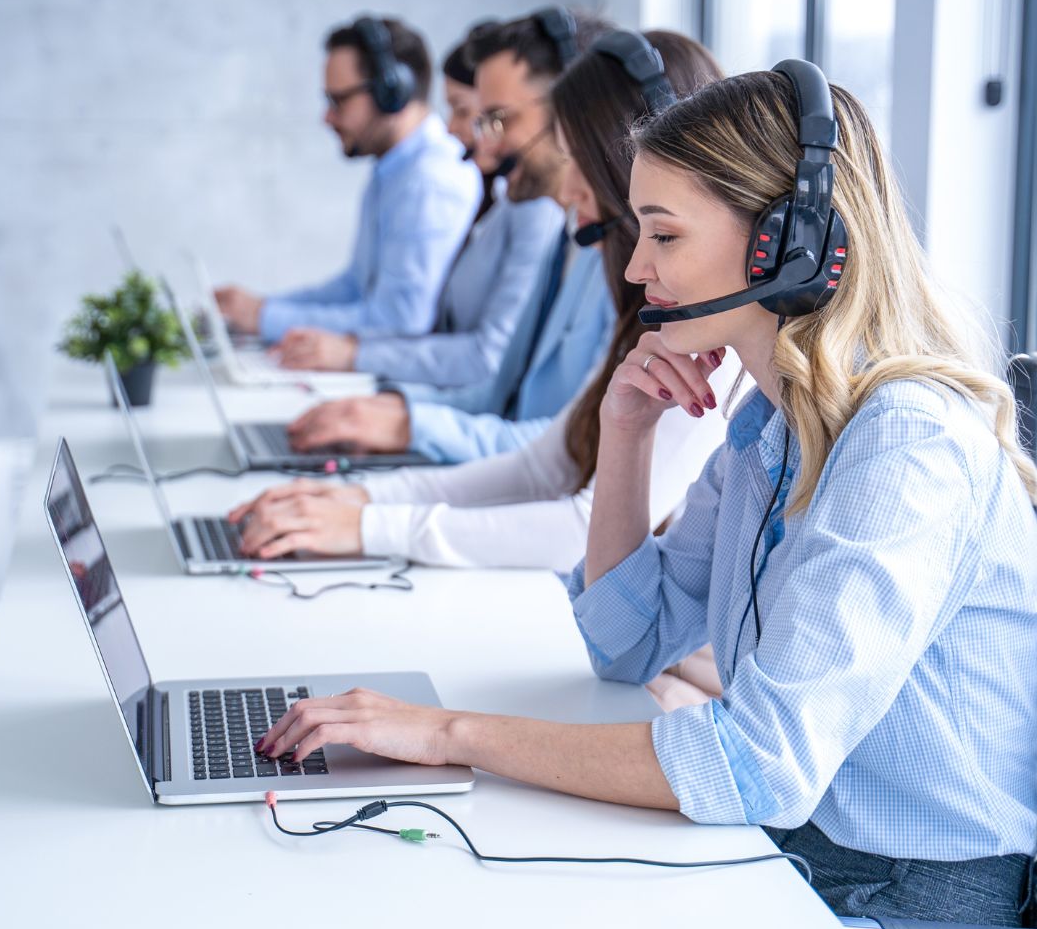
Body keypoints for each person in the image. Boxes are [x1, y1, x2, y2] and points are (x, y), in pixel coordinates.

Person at [255, 64, 1037, 929]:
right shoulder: (771, 423)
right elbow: (623, 639)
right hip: (797, 857)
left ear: (783, 247)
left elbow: (754, 761)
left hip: (904, 922)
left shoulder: (905, 448)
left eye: (663, 235)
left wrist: (447, 734)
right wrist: (621, 436)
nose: (634, 270)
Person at [230, 29, 729, 576]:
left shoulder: (705, 340)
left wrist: (374, 521)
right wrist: (365, 501)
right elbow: (544, 467)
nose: (565, 190)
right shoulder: (633, 291)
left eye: (577, 156)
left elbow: (582, 528)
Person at [279, 7, 617, 464]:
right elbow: (499, 394)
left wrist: (405, 424)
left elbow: (572, 450)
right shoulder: (567, 236)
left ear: (572, 115)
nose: (482, 142)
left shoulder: (622, 264)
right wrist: (396, 409)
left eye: (498, 119)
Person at [272, 22, 564, 389]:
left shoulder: (522, 204)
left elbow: (480, 355)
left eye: (473, 113)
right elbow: (357, 284)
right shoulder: (503, 200)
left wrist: (356, 360)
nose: (456, 129)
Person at [215, 15, 480, 344]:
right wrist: (261, 309)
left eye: (338, 101)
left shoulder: (429, 182)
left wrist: (265, 318)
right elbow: (355, 287)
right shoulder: (393, 169)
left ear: (391, 91)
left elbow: (400, 320)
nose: (327, 117)